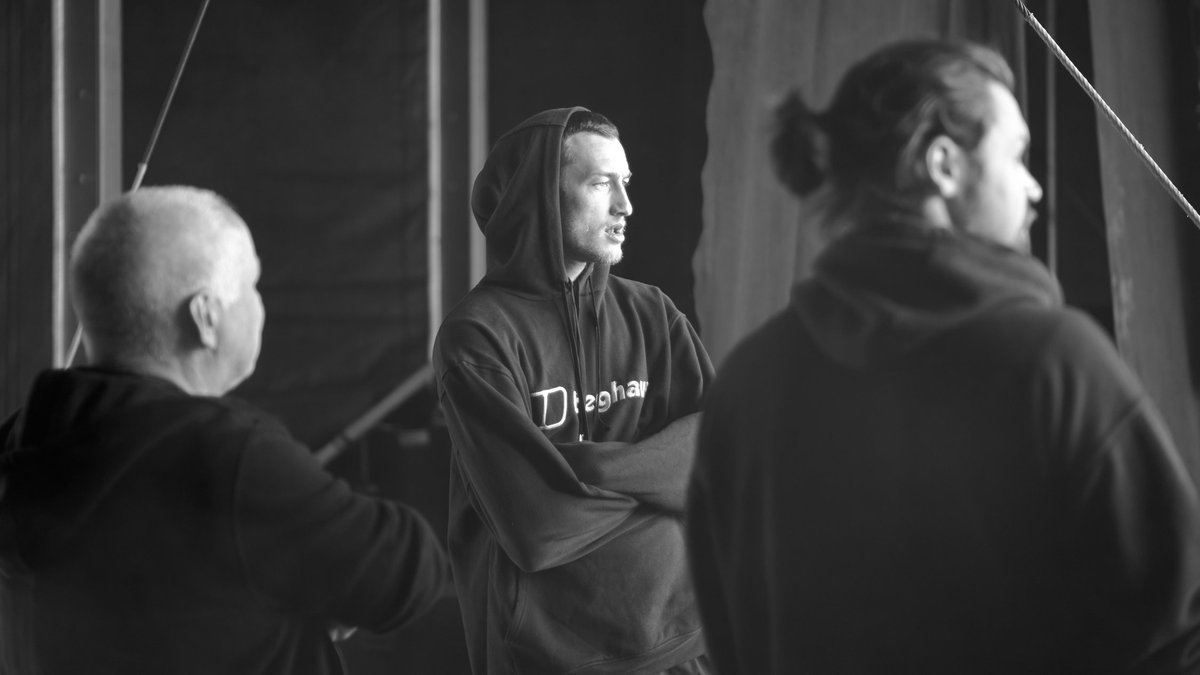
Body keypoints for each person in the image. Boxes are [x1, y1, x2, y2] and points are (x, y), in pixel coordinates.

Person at [688, 39, 1200, 673]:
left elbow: (729, 642)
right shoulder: (1055, 364)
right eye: (1016, 156)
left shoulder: (747, 382)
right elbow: (1177, 637)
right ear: (944, 165)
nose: (1035, 189)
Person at [0, 186, 450, 675]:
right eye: (252, 285)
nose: (259, 307)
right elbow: (406, 571)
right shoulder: (228, 455)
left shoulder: (22, 440)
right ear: (206, 316)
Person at [433, 108, 714, 674]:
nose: (625, 207)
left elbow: (723, 465)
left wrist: (591, 471)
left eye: (625, 184)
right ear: (536, 199)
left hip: (682, 643)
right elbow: (538, 525)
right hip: (548, 657)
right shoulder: (478, 336)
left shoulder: (652, 314)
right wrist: (657, 485)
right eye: (600, 183)